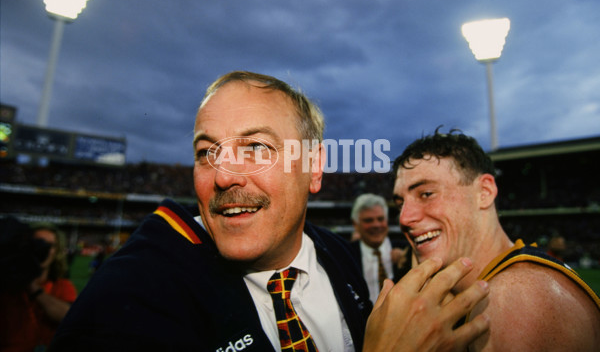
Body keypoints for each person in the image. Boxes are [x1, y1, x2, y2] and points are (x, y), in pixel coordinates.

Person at [50, 72, 489, 351]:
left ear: (313, 169)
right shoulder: (134, 293)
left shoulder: (338, 257)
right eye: (207, 152)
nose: (223, 176)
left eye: (256, 147)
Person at [391, 128, 600, 351]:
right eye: (400, 203)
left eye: (426, 194)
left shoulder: (513, 299)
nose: (404, 217)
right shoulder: (495, 286)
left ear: (485, 192)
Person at [0, 219, 77, 351]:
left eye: (50, 245)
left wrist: (34, 288)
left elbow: (69, 317)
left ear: (57, 251)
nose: (44, 249)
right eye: (38, 242)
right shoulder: (6, 285)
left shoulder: (63, 286)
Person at [349, 193, 410, 303]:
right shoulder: (346, 255)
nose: (376, 225)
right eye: (368, 220)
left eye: (380, 219)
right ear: (355, 224)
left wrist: (408, 262)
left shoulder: (406, 251)